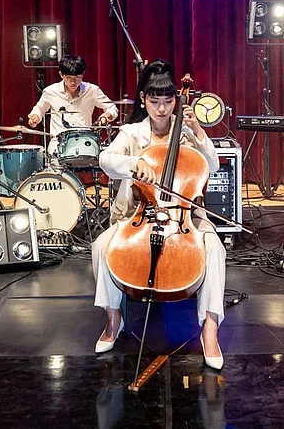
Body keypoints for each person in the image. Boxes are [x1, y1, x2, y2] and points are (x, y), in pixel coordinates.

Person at [92, 60, 226, 369]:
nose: (162, 109)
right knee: (100, 246)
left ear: (176, 99)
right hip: (137, 214)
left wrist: (199, 132)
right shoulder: (131, 133)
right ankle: (113, 319)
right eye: (155, 102)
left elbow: (213, 165)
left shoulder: (186, 132)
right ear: (143, 99)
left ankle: (210, 329)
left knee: (215, 250)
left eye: (168, 101)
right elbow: (105, 160)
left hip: (185, 217)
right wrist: (134, 163)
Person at [27, 55, 119, 155]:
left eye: (77, 77)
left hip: (85, 142)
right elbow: (39, 110)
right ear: (61, 75)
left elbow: (112, 108)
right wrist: (35, 117)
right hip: (58, 143)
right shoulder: (50, 91)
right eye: (69, 78)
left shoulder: (92, 90)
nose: (73, 82)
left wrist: (105, 117)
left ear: (83, 74)